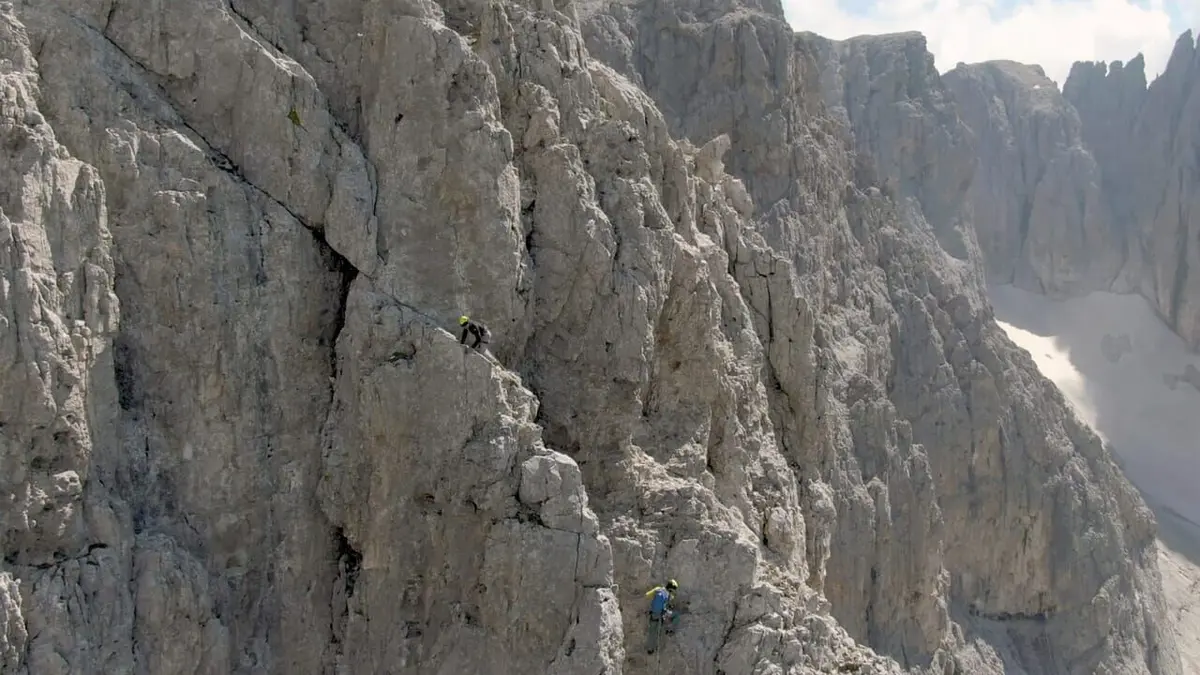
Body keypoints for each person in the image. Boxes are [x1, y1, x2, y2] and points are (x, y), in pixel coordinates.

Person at [644, 579, 680, 654]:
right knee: (676, 615)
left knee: (652, 632)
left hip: (653, 614)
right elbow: (669, 604)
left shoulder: (658, 589)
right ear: (671, 589)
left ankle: (650, 649)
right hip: (662, 615)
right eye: (673, 590)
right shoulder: (669, 595)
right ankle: (669, 630)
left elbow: (647, 595)